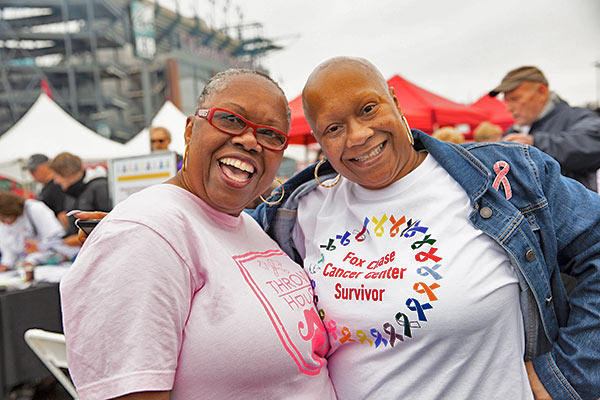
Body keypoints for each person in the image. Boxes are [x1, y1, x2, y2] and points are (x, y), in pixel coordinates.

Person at [252, 57, 600, 399]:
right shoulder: (299, 208)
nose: (358, 135)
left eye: (368, 109)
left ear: (394, 101)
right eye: (334, 128)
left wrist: (567, 374)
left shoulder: (504, 176)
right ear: (319, 141)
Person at [60, 69, 336, 399]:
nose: (249, 140)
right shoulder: (142, 234)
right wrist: (136, 233)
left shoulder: (247, 224)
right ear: (190, 130)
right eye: (231, 120)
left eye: (271, 134)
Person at [489, 65, 600, 191]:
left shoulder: (576, 117)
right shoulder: (513, 132)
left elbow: (592, 145)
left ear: (541, 91)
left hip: (573, 208)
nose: (509, 108)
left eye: (515, 99)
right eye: (506, 101)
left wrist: (535, 144)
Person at [0, 190, 67, 272]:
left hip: (51, 264)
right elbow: (8, 249)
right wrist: (6, 264)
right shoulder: (4, 223)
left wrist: (33, 258)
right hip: (24, 268)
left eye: (4, 218)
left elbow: (56, 239)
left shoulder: (35, 209)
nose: (4, 223)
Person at [48, 152, 111, 239]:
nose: (55, 181)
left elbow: (108, 221)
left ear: (67, 173)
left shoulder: (100, 186)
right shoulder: (71, 192)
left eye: (56, 176)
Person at [26, 154, 68, 218]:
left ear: (46, 166)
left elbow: (62, 215)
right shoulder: (46, 187)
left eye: (33, 170)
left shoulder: (55, 186)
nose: (31, 173)